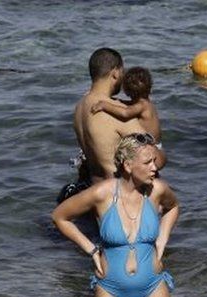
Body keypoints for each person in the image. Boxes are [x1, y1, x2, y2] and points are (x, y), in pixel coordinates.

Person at [52, 133, 179, 297]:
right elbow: (59, 216)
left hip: (153, 288)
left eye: (154, 161)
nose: (154, 167)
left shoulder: (157, 190)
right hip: (111, 292)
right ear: (127, 166)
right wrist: (92, 250)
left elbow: (173, 207)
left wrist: (161, 241)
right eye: (147, 163)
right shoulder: (102, 193)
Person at [59, 48, 150, 202]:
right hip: (118, 198)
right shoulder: (114, 111)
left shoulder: (80, 106)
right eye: (122, 71)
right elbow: (152, 157)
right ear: (115, 73)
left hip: (94, 193)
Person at [89, 67, 164, 158]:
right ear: (150, 87)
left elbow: (125, 113)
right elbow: (130, 105)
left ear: (126, 91)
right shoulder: (146, 103)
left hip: (150, 147)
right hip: (156, 144)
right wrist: (115, 101)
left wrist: (104, 105)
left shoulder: (141, 106)